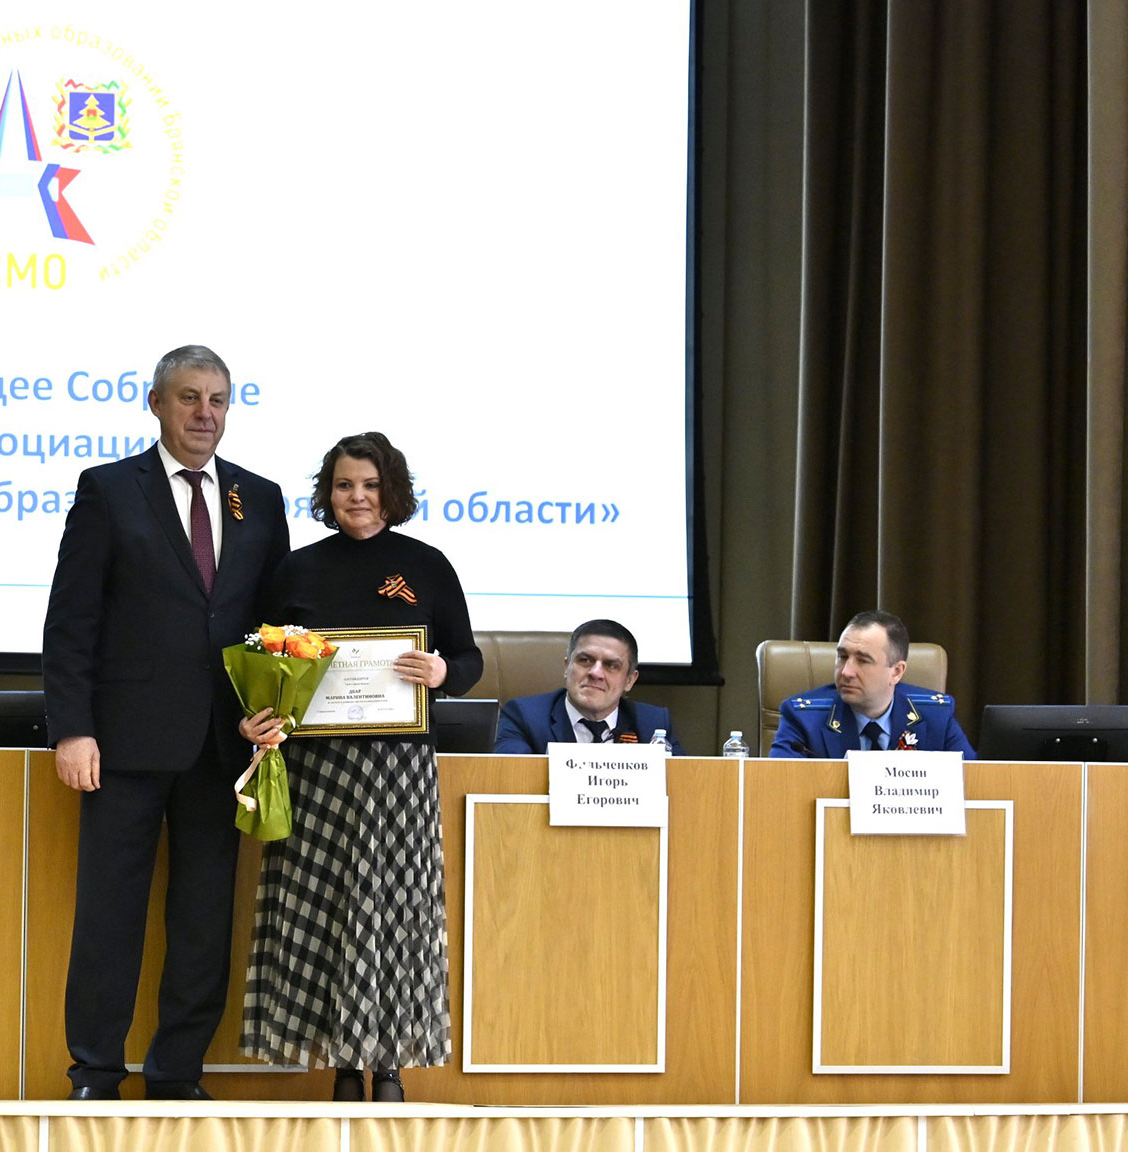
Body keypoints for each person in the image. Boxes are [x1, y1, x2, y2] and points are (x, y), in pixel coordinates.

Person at [42, 344, 290, 1101]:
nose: (204, 414)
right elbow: (71, 621)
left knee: (203, 920)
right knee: (109, 914)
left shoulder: (259, 497)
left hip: (224, 747)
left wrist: (270, 709)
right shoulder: (110, 489)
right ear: (156, 403)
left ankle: (177, 1073)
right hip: (122, 744)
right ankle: (95, 1071)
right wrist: (72, 728)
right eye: (189, 398)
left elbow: (273, 626)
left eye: (217, 400)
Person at [238, 431, 482, 1103]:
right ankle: (344, 1066)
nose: (358, 498)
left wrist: (442, 672)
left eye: (371, 485)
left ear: (391, 491)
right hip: (317, 768)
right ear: (328, 493)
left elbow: (468, 660)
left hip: (399, 770)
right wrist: (257, 714)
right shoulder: (297, 570)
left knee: (395, 911)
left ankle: (389, 1064)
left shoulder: (427, 565)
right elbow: (263, 660)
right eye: (345, 485)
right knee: (324, 911)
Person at [770, 609, 975, 757]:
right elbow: (780, 787)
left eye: (863, 660)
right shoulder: (803, 718)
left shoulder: (936, 717)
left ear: (896, 672)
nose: (846, 672)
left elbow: (972, 784)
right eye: (842, 657)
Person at [492, 619, 680, 753]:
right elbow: (513, 780)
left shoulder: (652, 723)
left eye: (611, 665)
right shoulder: (524, 717)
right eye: (585, 660)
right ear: (567, 667)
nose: (596, 673)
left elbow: (682, 786)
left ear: (629, 680)